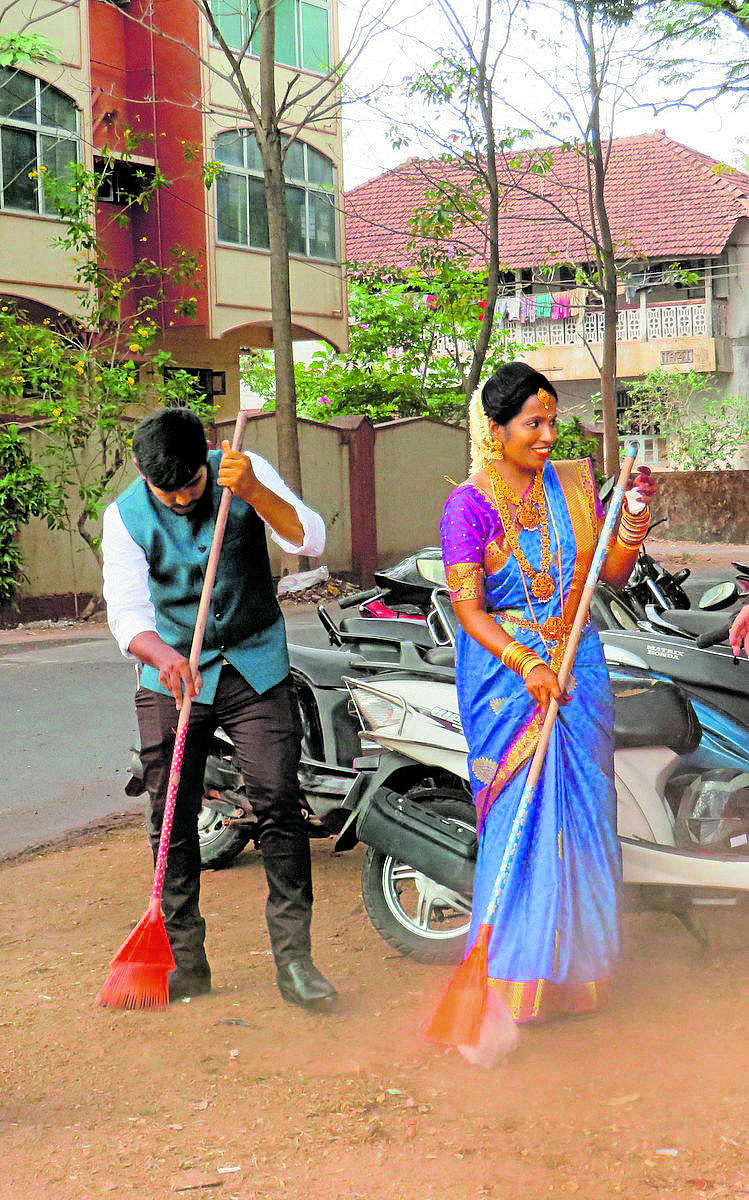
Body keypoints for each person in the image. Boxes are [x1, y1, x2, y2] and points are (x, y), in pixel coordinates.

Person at [440, 362, 656, 1024]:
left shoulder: (570, 486)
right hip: (507, 680)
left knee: (584, 816)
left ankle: (576, 974)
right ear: (494, 429)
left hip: (577, 666)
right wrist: (524, 663)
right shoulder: (467, 505)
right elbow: (468, 610)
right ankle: (514, 976)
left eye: (551, 421)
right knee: (520, 819)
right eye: (532, 423)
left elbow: (608, 577)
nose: (546, 435)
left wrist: (632, 520)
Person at [102, 407, 337, 1010]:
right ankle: (186, 962)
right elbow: (127, 614)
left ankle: (294, 962)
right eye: (168, 491)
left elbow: (309, 538)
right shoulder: (124, 517)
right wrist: (162, 655)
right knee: (172, 811)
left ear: (207, 454)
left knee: (279, 800)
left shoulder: (243, 469)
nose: (182, 501)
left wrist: (253, 491)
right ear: (140, 470)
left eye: (192, 487)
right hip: (171, 673)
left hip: (254, 663)